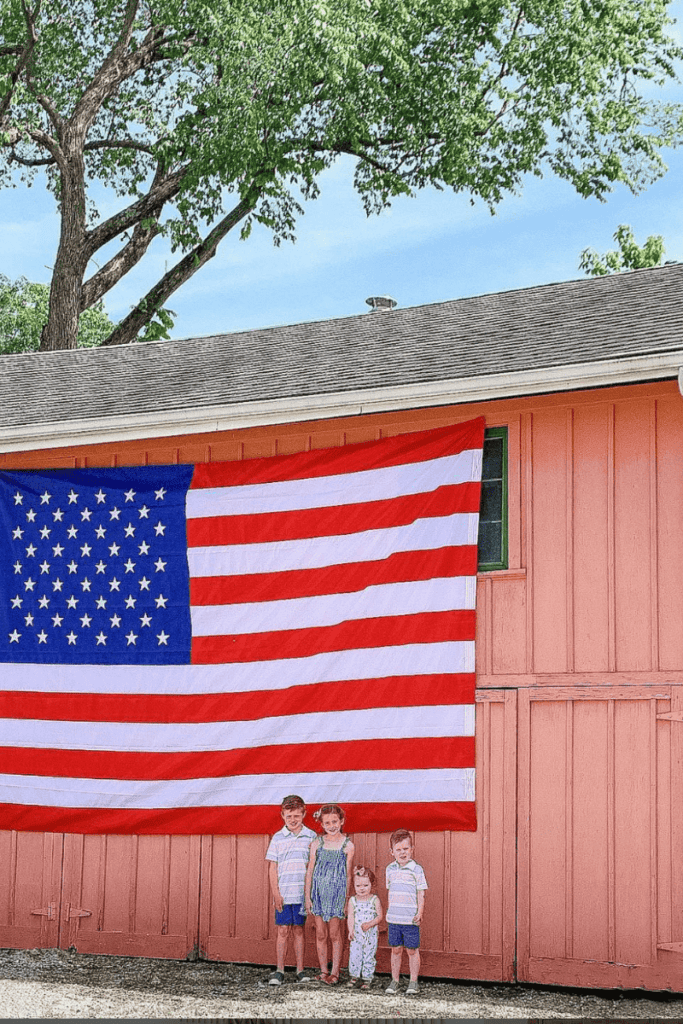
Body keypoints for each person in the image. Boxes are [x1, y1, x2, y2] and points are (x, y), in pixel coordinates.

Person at [265, 794, 317, 985]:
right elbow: (273, 867)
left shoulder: (311, 836)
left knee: (299, 930)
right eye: (289, 816)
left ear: (303, 814)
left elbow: (313, 865)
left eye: (296, 815)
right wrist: (276, 893)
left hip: (301, 894)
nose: (293, 820)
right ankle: (279, 970)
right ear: (282, 816)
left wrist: (309, 895)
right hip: (284, 894)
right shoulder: (278, 838)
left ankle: (300, 970)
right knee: (283, 930)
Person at [304, 802, 355, 985]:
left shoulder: (347, 846)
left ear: (341, 821)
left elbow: (348, 876)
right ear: (322, 824)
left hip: (336, 895)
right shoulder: (317, 843)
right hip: (318, 893)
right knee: (320, 934)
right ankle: (324, 971)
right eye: (327, 823)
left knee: (335, 934)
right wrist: (307, 897)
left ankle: (335, 973)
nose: (332, 826)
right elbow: (310, 870)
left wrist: (346, 900)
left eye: (335, 821)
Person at [384, 828, 428, 996]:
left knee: (411, 950)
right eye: (398, 849)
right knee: (395, 949)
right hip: (394, 918)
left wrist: (420, 912)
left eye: (405, 849)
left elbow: (420, 893)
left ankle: (413, 981)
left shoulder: (416, 869)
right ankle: (395, 981)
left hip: (410, 919)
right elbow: (391, 892)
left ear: (412, 849)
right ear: (392, 852)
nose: (402, 853)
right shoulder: (389, 869)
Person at [346, 866, 382, 989]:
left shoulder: (374, 900)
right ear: (354, 886)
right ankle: (354, 976)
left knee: (368, 954)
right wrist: (350, 930)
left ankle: (367, 978)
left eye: (365, 885)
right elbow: (350, 916)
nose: (362, 889)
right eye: (358, 886)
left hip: (370, 934)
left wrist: (370, 924)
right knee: (355, 954)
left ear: (371, 884)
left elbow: (380, 916)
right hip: (357, 934)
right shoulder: (353, 900)